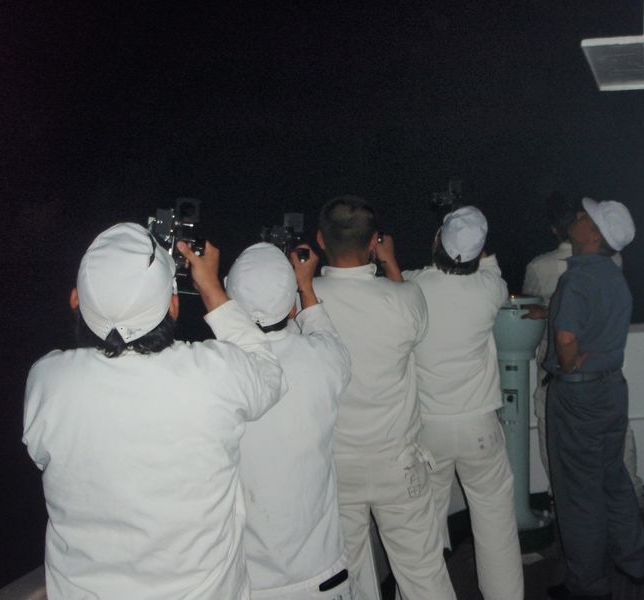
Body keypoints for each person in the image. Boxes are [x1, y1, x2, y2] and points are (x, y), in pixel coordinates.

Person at [22, 223, 286, 600]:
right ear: (174, 307)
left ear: (75, 301)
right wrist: (210, 286)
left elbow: (42, 456)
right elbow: (268, 371)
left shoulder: (47, 381)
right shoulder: (213, 374)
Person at [313, 196, 456, 600]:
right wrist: (390, 262)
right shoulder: (406, 299)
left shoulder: (304, 298)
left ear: (321, 240)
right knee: (424, 574)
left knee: (350, 577)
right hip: (398, 463)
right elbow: (409, 305)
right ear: (375, 240)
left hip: (334, 465)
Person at [402, 206, 525, 600]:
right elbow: (490, 267)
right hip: (479, 429)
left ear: (437, 241)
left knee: (424, 532)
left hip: (427, 431)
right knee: (497, 527)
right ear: (480, 251)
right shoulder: (490, 289)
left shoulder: (412, 285)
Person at [528, 199, 644, 600]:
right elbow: (593, 316)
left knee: (578, 493)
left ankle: (588, 585)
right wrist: (551, 314)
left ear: (593, 235)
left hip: (578, 395)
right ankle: (634, 561)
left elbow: (567, 341)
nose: (576, 220)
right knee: (612, 476)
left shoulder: (575, 279)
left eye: (583, 218)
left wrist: (567, 361)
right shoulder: (613, 275)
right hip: (611, 389)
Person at [223, 241, 353, 600]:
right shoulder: (325, 360)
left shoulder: (216, 375)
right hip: (323, 576)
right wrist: (306, 285)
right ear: (292, 305)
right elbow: (324, 332)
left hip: (250, 584)